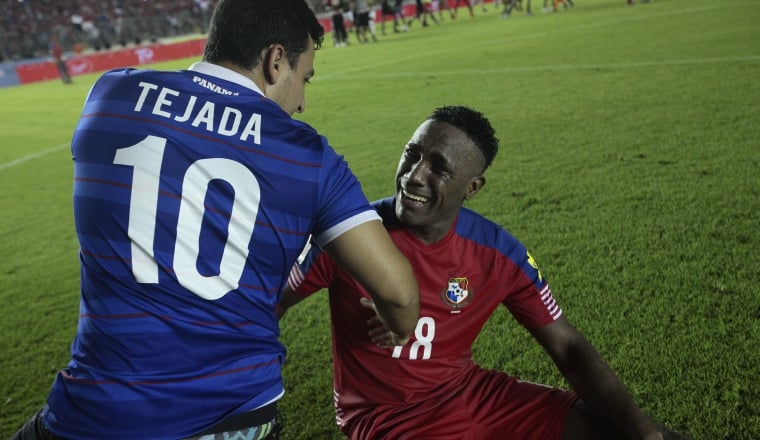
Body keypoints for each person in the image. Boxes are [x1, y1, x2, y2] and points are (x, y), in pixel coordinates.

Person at [11, 1, 420, 439]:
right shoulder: (308, 157)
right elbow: (397, 293)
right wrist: (398, 327)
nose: (301, 101)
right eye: (304, 79)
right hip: (234, 415)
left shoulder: (110, 95)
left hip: (93, 415)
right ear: (275, 60)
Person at [280, 106, 691, 440]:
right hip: (386, 418)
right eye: (412, 154)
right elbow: (267, 304)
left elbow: (567, 347)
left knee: (624, 431)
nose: (413, 175)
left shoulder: (497, 252)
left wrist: (644, 434)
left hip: (471, 396)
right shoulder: (352, 234)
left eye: (438, 167)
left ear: (472, 188)